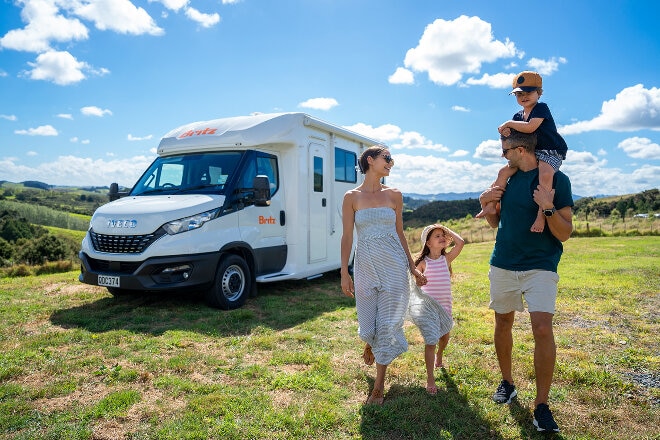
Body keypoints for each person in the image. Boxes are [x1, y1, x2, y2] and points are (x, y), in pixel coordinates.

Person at [340, 145, 451, 405]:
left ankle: (378, 386)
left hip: (393, 268)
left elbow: (400, 233)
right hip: (366, 266)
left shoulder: (395, 195)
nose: (392, 162)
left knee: (388, 324)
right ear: (370, 160)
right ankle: (370, 340)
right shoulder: (351, 197)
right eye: (386, 158)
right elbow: (347, 236)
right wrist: (345, 271)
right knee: (369, 324)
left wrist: (412, 266)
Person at [478, 129, 573, 433]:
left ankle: (541, 405)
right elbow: (496, 222)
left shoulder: (558, 181)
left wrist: (547, 206)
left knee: (542, 328)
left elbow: (565, 232)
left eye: (504, 150)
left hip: (540, 265)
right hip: (503, 262)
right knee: (502, 322)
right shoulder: (507, 179)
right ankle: (507, 382)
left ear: (520, 149)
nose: (502, 155)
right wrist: (487, 202)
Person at [476, 71, 568, 234]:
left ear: (539, 93)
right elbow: (514, 136)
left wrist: (509, 123)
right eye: (519, 94)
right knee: (503, 172)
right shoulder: (518, 115)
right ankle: (490, 205)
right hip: (531, 151)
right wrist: (506, 132)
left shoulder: (540, 108)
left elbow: (531, 127)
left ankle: (541, 215)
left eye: (528, 92)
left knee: (545, 175)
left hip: (549, 151)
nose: (524, 97)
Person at [414, 224, 464, 395]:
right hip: (429, 310)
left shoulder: (446, 259)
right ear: (427, 243)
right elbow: (413, 281)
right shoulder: (422, 263)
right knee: (431, 342)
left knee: (444, 338)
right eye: (437, 236)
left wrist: (447, 230)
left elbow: (461, 243)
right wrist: (418, 279)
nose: (442, 237)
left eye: (443, 235)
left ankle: (440, 355)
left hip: (445, 308)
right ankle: (430, 378)